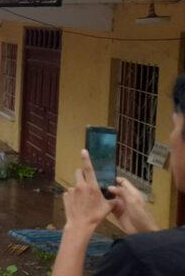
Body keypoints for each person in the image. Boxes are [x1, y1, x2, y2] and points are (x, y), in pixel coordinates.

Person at [52, 74, 185, 275]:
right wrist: (152, 235)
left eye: (175, 126)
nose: (171, 137)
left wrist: (78, 227)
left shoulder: (135, 257)